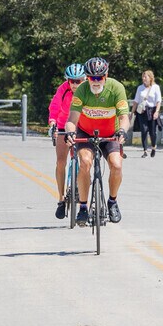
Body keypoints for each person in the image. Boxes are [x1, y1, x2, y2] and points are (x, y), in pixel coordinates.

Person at [64, 57, 130, 226]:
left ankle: (112, 202)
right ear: (87, 77)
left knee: (116, 165)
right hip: (86, 132)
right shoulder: (82, 91)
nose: (95, 81)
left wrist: (122, 130)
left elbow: (124, 117)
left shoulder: (116, 88)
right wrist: (70, 133)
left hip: (110, 133)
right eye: (91, 77)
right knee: (85, 162)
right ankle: (84, 207)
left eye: (99, 77)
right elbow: (72, 120)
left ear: (105, 75)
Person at [48, 64, 86, 220]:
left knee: (85, 161)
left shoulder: (88, 90)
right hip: (64, 126)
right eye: (72, 81)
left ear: (84, 79)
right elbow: (55, 107)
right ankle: (61, 199)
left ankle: (84, 198)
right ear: (68, 81)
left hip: (83, 127)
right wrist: (52, 123)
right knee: (61, 162)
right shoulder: (63, 89)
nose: (75, 84)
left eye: (78, 81)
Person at [130, 70, 162, 158]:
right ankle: (145, 150)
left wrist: (157, 112)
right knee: (144, 131)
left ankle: (153, 147)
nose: (144, 79)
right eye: (143, 77)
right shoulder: (140, 88)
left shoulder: (156, 87)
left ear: (150, 78)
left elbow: (158, 101)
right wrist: (132, 113)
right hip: (142, 111)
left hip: (152, 110)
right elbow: (136, 101)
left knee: (152, 132)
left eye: (145, 77)